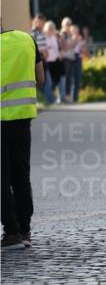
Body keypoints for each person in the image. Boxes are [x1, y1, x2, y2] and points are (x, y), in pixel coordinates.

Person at [1, 24, 45, 248]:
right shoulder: (27, 39)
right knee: (21, 176)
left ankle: (12, 233)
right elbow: (41, 78)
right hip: (22, 119)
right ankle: (25, 230)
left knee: (2, 180)